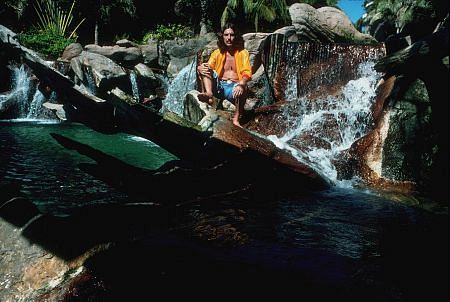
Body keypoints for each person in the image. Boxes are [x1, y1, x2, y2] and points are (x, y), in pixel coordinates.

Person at [197, 22, 252, 128]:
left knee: (244, 86)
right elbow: (208, 66)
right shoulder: (217, 53)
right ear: (222, 37)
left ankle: (236, 119)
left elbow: (247, 72)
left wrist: (241, 84)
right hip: (219, 86)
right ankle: (209, 94)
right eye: (226, 35)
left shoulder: (243, 53)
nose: (229, 38)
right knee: (205, 68)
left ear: (236, 36)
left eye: (232, 35)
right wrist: (200, 68)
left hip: (234, 88)